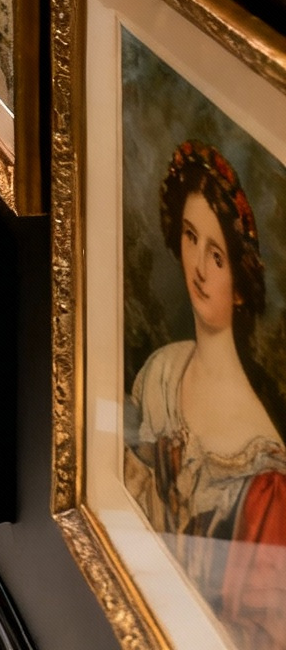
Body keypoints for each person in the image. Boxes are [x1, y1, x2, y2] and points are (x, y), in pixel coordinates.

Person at [124, 139, 286, 648]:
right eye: (191, 239)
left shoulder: (264, 468)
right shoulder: (160, 372)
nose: (196, 267)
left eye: (216, 256)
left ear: (240, 284)